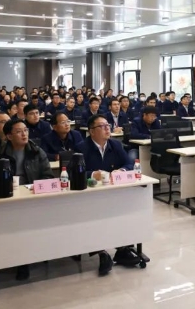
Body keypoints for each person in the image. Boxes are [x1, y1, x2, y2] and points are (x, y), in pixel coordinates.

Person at [0, 119, 54, 282]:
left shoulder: (37, 152)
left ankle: (29, 257)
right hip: (8, 199)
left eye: (25, 130)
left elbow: (48, 176)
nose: (24, 134)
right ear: (9, 136)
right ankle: (20, 260)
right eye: (19, 131)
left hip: (33, 198)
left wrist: (34, 188)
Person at [72, 114, 139, 275]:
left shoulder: (115, 144)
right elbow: (73, 172)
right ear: (91, 131)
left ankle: (122, 248)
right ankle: (101, 252)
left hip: (113, 193)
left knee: (124, 212)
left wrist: (122, 170)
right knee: (94, 217)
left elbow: (129, 163)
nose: (107, 129)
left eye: (108, 125)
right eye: (102, 126)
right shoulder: (81, 148)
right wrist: (92, 174)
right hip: (89, 196)